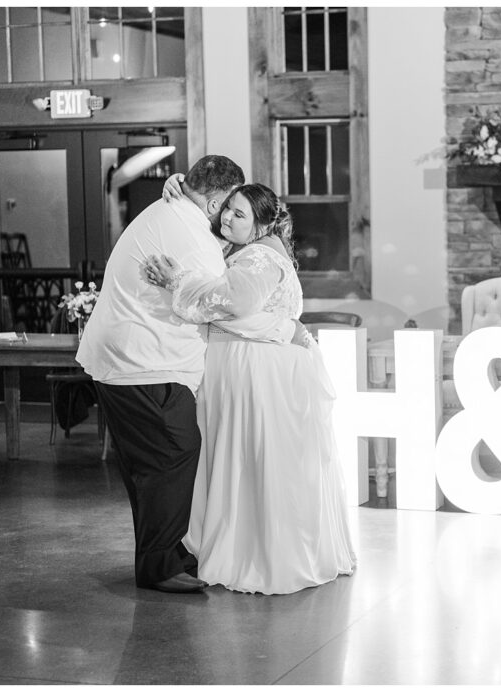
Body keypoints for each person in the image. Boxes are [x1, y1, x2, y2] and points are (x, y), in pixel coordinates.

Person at [142, 182, 356, 595]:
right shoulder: (250, 250)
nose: (226, 218)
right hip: (249, 364)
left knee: (250, 457)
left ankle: (257, 554)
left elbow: (232, 306)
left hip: (254, 369)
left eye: (239, 214)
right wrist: (177, 186)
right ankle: (248, 545)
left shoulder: (258, 255)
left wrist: (178, 282)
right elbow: (250, 314)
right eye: (226, 210)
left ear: (261, 224)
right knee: (250, 459)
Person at [77, 154, 246, 594]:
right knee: (173, 452)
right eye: (229, 206)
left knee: (148, 465)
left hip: (126, 360)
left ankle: (164, 556)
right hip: (145, 363)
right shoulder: (191, 232)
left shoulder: (167, 210)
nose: (228, 216)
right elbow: (216, 301)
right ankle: (160, 567)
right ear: (213, 202)